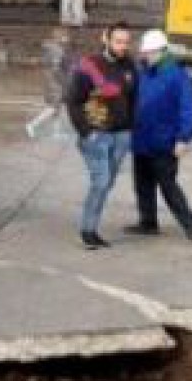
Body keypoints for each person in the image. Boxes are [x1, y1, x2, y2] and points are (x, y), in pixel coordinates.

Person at [65, 24, 139, 250]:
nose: (122, 46)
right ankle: (88, 230)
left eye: (126, 42)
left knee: (107, 183)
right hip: (97, 134)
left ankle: (91, 228)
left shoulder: (130, 65)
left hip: (122, 135)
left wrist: (131, 126)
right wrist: (86, 132)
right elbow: (73, 101)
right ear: (106, 39)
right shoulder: (89, 66)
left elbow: (133, 98)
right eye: (118, 41)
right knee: (102, 180)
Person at [127, 31, 192, 241]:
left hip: (164, 141)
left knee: (168, 185)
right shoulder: (143, 71)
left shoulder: (177, 75)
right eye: (144, 52)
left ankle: (190, 225)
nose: (144, 55)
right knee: (142, 184)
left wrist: (184, 137)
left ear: (160, 51)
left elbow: (189, 108)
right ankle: (148, 222)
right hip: (141, 138)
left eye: (148, 52)